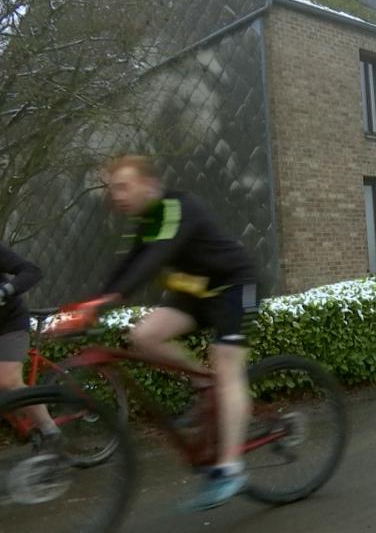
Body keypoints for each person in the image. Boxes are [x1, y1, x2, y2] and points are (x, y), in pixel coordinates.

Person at [88, 155, 259, 510]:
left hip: (234, 284)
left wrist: (109, 300)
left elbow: (153, 260)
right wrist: (91, 303)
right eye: (111, 188)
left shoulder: (179, 207)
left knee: (226, 363)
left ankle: (229, 470)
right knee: (144, 336)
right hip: (195, 290)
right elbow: (128, 262)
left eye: (123, 186)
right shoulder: (148, 220)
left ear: (149, 185)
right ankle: (204, 385)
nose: (115, 195)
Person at [0, 243, 59, 443]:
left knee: (7, 381)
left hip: (8, 324)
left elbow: (31, 271)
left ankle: (51, 432)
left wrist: (5, 291)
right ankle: (24, 428)